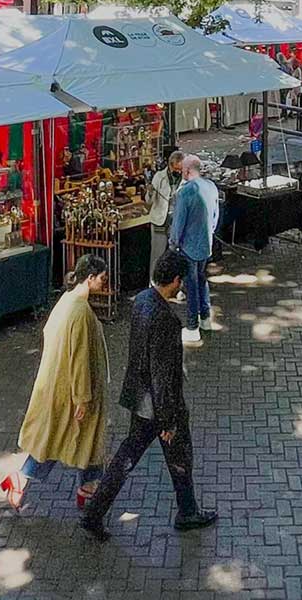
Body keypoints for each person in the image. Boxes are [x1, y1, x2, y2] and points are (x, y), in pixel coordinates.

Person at [80, 250, 217, 541]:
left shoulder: (142, 300)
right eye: (181, 281)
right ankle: (186, 512)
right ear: (176, 280)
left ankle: (96, 512)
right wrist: (168, 421)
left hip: (139, 398)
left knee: (129, 456)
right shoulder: (166, 319)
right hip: (160, 406)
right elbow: (162, 374)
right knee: (175, 456)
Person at [3, 254, 112, 512]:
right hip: (74, 390)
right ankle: (25, 478)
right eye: (102, 278)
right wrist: (82, 397)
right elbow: (80, 357)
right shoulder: (81, 312)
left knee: (65, 438)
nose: (104, 283)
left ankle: (88, 485)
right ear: (90, 278)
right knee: (63, 439)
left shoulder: (66, 301)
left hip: (57, 383)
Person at [170, 154, 221, 344]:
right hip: (206, 244)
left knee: (191, 286)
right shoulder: (211, 187)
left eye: (183, 169)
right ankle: (206, 319)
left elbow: (178, 224)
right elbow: (215, 217)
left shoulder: (185, 193)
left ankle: (192, 327)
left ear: (187, 171)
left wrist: (173, 244)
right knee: (201, 280)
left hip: (189, 247)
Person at [148, 150, 185, 268]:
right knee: (157, 255)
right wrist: (150, 193)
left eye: (181, 169)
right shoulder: (159, 177)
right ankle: (154, 278)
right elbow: (149, 201)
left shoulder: (185, 178)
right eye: (176, 169)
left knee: (174, 255)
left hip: (176, 222)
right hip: (160, 221)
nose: (178, 172)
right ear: (170, 165)